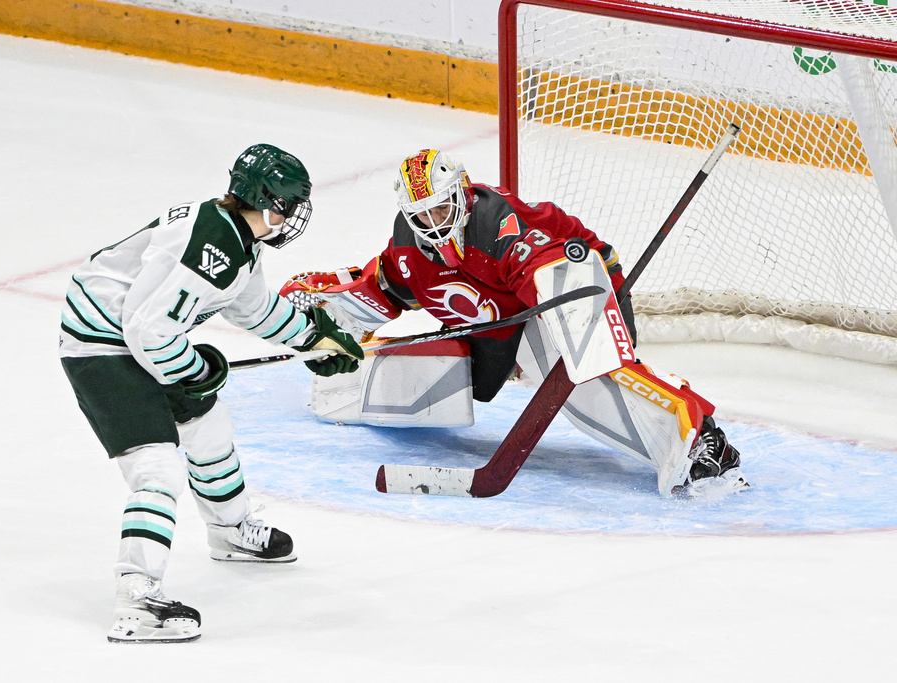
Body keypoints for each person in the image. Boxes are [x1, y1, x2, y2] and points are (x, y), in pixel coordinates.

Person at [283, 148, 749, 499]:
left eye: (441, 209)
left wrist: (563, 311)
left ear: (462, 195)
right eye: (421, 215)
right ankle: (348, 390)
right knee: (433, 368)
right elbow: (383, 287)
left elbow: (551, 266)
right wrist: (322, 319)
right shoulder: (409, 248)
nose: (433, 222)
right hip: (501, 322)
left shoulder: (498, 227)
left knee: (584, 381)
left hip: (579, 286)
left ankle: (697, 437)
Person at [58, 143, 363, 644]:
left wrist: (312, 338)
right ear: (269, 202)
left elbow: (253, 308)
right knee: (158, 468)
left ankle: (230, 531)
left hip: (133, 337)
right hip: (101, 346)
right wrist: (195, 369)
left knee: (209, 429)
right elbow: (149, 331)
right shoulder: (212, 247)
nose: (290, 218)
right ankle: (135, 600)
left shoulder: (238, 238)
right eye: (289, 206)